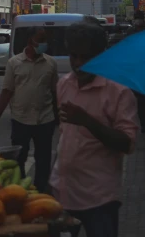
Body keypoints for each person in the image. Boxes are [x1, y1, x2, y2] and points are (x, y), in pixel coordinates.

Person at [50, 21, 138, 237]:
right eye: (73, 56)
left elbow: (127, 143)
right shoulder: (64, 84)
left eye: (87, 57)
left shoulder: (119, 91)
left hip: (99, 199)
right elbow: (64, 135)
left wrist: (87, 121)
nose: (79, 63)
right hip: (62, 191)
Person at [0, 27, 58, 193]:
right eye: (40, 41)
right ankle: (21, 191)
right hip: (21, 120)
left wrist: (59, 117)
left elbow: (55, 92)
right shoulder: (14, 63)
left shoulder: (51, 63)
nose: (43, 45)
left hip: (45, 120)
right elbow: (7, 91)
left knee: (43, 160)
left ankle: (41, 192)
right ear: (30, 42)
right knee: (19, 159)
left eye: (45, 41)